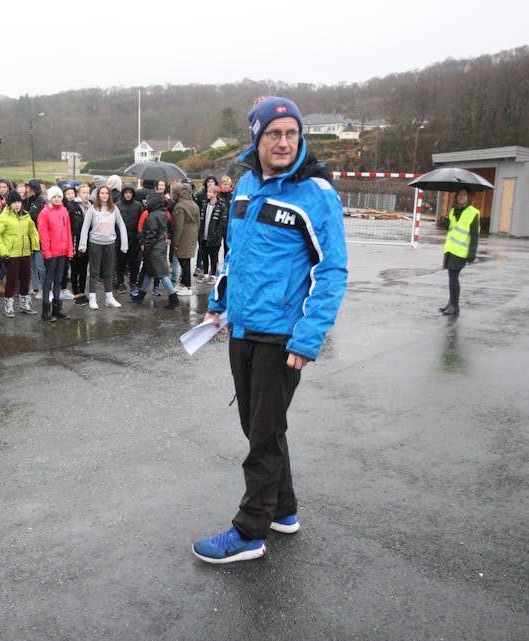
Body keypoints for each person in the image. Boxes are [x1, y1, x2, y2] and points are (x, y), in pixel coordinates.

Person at [193, 96, 348, 564]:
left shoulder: (316, 194)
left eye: (291, 134)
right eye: (273, 134)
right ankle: (283, 509)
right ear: (256, 138)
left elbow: (332, 270)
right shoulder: (243, 185)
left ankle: (249, 532)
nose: (283, 142)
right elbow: (235, 256)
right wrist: (218, 305)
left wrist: (309, 336)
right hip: (242, 328)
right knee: (259, 426)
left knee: (261, 435)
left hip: (281, 335)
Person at [79, 185, 128, 309]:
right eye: (102, 193)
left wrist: (124, 244)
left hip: (110, 244)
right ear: (98, 195)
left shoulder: (114, 208)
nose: (104, 195)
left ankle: (109, 297)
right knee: (94, 272)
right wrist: (83, 244)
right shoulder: (93, 208)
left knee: (109, 271)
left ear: (109, 195)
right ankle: (92, 298)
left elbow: (122, 225)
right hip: (95, 243)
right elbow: (85, 227)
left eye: (106, 193)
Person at [130, 192, 179, 308]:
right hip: (161, 246)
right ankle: (141, 295)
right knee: (149, 272)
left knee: (162, 274)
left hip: (154, 249)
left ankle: (174, 298)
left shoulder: (152, 215)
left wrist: (146, 246)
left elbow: (151, 234)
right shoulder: (164, 214)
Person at [0, 193, 39, 317]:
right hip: (11, 254)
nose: (17, 205)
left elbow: (33, 230)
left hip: (25, 252)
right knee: (12, 280)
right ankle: (8, 306)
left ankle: (24, 304)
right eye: (13, 202)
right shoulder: (4, 217)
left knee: (26, 278)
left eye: (19, 202)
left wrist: (34, 245)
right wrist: (3, 252)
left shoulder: (26, 215)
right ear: (9, 204)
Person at [439, 187, 480, 316]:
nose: (462, 197)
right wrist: (446, 222)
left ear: (468, 197)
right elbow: (451, 228)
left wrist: (472, 253)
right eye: (460, 195)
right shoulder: (453, 210)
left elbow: (474, 235)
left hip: (461, 251)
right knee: (451, 278)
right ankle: (451, 303)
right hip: (450, 249)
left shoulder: (473, 212)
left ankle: (455, 306)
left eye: (464, 195)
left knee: (453, 278)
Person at [36, 186, 74, 322]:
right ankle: (46, 310)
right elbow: (43, 235)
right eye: (54, 197)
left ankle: (57, 309)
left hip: (62, 252)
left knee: (58, 280)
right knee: (48, 281)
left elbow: (68, 231)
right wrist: (47, 252)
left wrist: (70, 249)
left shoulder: (64, 211)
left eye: (59, 196)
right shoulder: (44, 213)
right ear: (49, 198)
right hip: (51, 253)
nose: (57, 199)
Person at [170, 182, 200, 296]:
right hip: (192, 234)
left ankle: (187, 286)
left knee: (184, 262)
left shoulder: (180, 206)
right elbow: (198, 222)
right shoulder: (194, 204)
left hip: (184, 236)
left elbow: (179, 226)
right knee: (186, 260)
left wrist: (175, 242)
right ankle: (183, 284)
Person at [115, 183, 144, 295]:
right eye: (126, 193)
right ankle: (121, 282)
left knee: (134, 263)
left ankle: (133, 282)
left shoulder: (138, 206)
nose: (128, 195)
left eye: (130, 193)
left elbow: (141, 223)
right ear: (123, 193)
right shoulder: (117, 205)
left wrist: (140, 238)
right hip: (120, 239)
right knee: (120, 263)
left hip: (134, 239)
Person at [197, 184, 227, 284]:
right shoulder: (205, 204)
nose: (207, 193)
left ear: (215, 194)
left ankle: (213, 275)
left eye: (210, 192)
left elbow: (222, 223)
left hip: (214, 238)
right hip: (203, 236)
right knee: (204, 256)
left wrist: (217, 234)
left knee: (213, 257)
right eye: (208, 191)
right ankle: (205, 274)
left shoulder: (221, 206)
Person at [24, 179, 47, 300]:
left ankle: (43, 288)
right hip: (29, 238)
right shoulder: (28, 200)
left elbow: (30, 215)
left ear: (33, 189)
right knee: (32, 265)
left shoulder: (40, 201)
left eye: (28, 187)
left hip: (38, 238)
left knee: (40, 265)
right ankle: (35, 287)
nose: (26, 190)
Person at [68, 184, 90, 306]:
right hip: (76, 239)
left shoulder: (91, 206)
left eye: (88, 192)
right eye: (83, 193)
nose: (86, 195)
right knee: (75, 267)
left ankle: (82, 291)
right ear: (78, 194)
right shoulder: (72, 206)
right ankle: (76, 292)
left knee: (84, 268)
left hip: (87, 241)